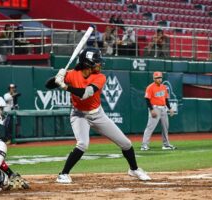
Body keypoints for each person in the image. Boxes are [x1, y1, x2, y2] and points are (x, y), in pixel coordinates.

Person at [53, 47, 151, 183]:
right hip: (79, 115)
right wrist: (57, 77)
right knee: (82, 144)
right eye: (96, 62)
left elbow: (85, 94)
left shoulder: (100, 77)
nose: (100, 64)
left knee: (126, 143)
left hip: (97, 114)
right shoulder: (72, 74)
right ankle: (63, 174)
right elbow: (49, 84)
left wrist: (65, 86)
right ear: (88, 64)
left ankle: (134, 169)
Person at [141, 72, 176, 151]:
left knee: (165, 127)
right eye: (157, 78)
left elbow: (166, 99)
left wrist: (170, 108)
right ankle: (144, 145)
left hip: (163, 108)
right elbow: (147, 99)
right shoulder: (150, 87)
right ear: (154, 79)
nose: (159, 79)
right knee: (150, 127)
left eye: (160, 77)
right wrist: (151, 109)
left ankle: (166, 145)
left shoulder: (164, 87)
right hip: (155, 108)